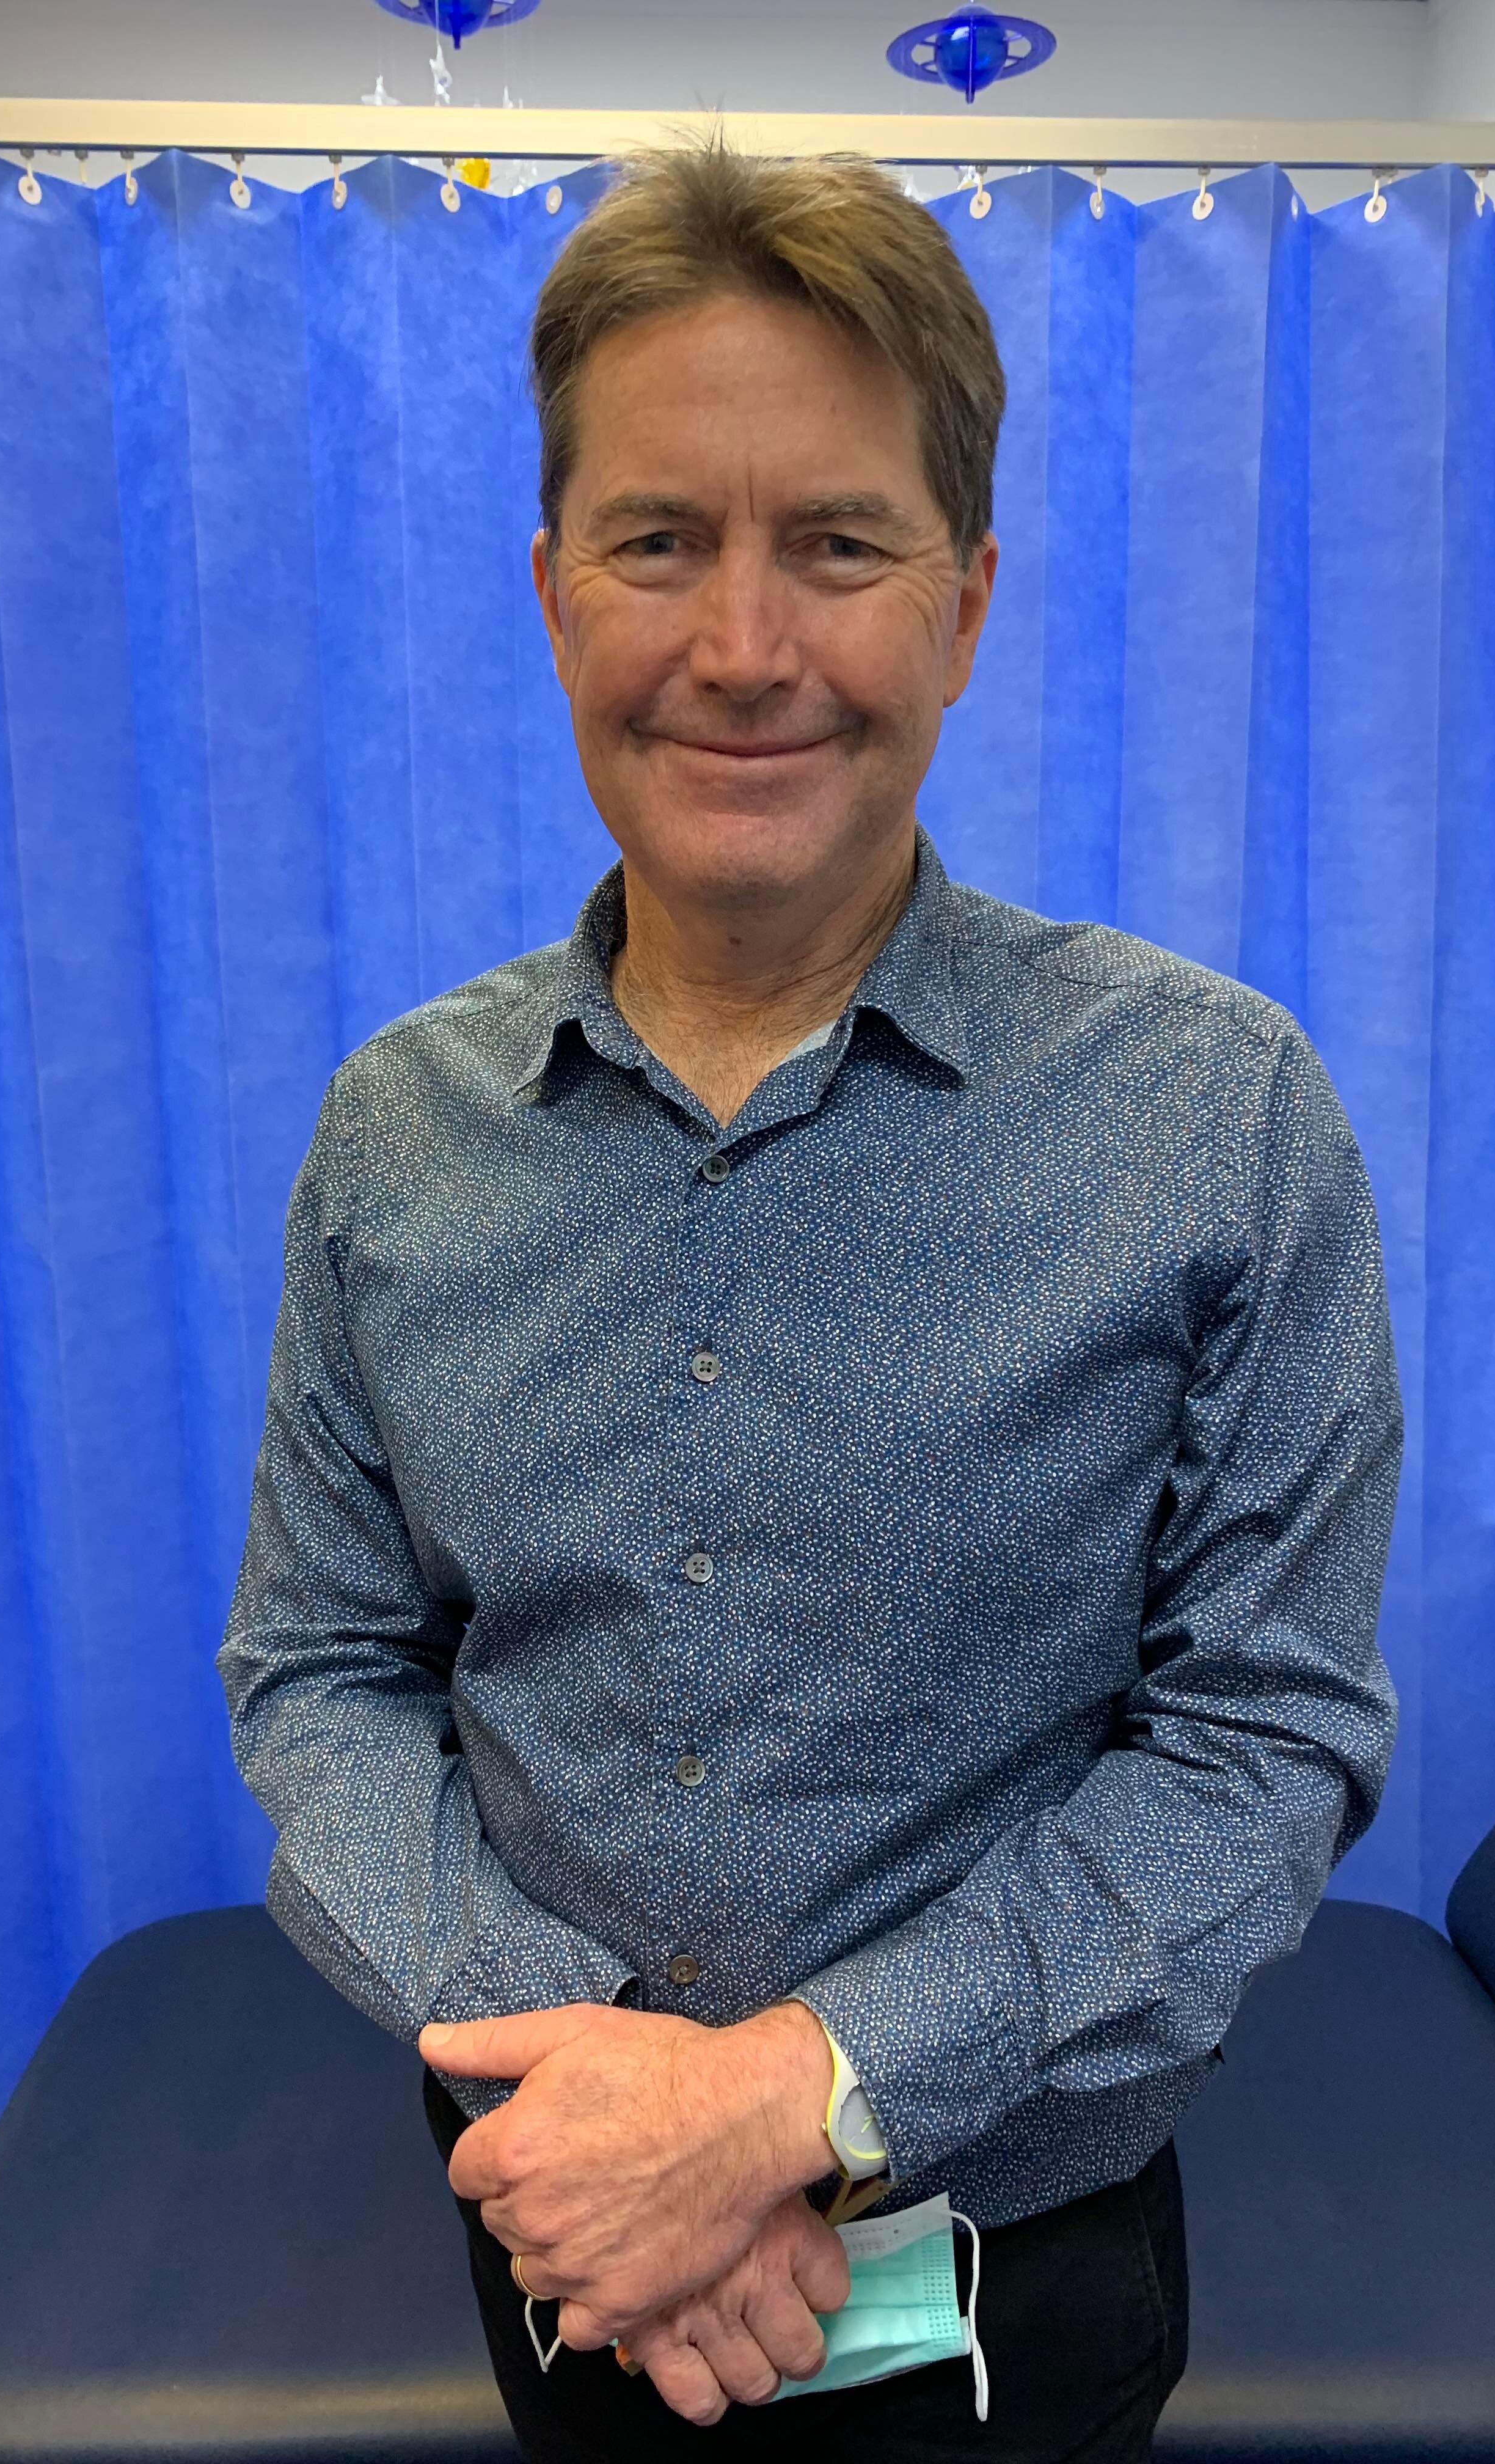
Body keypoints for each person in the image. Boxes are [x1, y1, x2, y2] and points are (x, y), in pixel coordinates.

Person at [218, 142, 1402, 2464]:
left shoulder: (1221, 1113)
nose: (745, 647)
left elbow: (1263, 1748)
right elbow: (322, 1672)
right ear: (553, 593)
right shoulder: (395, 1133)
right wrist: (611, 2111)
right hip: (554, 2222)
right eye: (660, 541)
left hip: (1019, 2291)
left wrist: (797, 2099)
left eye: (840, 546)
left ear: (965, 603)